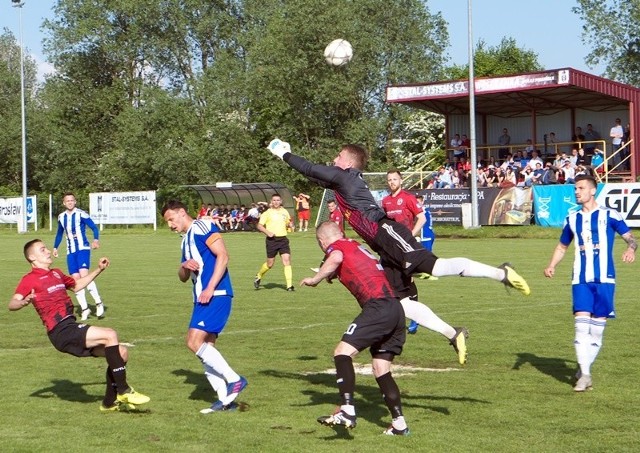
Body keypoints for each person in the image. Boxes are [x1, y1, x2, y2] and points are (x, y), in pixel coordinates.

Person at [267, 139, 530, 359]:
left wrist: (284, 152)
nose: (334, 160)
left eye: (338, 156)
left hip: (387, 232)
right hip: (382, 245)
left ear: (348, 162)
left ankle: (501, 273)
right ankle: (454, 333)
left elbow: (310, 168)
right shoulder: (344, 181)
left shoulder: (344, 175)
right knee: (401, 303)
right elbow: (314, 175)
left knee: (436, 266)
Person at [9, 239, 150, 412]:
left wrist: (99, 269)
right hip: (60, 330)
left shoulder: (56, 273)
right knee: (109, 334)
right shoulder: (29, 279)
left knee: (121, 353)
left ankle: (108, 403)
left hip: (70, 326)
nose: (47, 251)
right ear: (32, 257)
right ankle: (124, 390)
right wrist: (23, 301)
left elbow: (77, 286)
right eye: (42, 249)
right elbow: (12, 304)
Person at [301, 221, 409, 436]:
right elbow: (355, 266)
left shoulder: (336, 248)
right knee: (381, 369)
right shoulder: (356, 245)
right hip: (396, 309)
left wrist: (315, 279)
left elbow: (336, 258)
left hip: (378, 307)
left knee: (342, 353)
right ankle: (399, 424)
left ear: (322, 242)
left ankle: (348, 410)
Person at [543, 175, 636, 392]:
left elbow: (630, 237)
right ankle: (585, 375)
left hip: (605, 278)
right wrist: (552, 265)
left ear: (592, 191)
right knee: (581, 326)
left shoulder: (609, 215)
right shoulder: (572, 218)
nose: (576, 192)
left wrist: (631, 248)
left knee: (597, 331)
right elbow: (562, 247)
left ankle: (584, 366)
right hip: (580, 279)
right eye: (575, 188)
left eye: (581, 188)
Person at [161, 200, 247, 413]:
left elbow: (223, 255)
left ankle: (234, 379)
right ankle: (226, 401)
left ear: (182, 213)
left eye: (171, 219)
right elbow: (183, 278)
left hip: (215, 294)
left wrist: (209, 287)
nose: (170, 225)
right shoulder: (184, 241)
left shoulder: (202, 226)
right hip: (202, 297)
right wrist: (183, 265)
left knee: (193, 341)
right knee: (207, 348)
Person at [383, 170, 463, 345]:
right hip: (392, 250)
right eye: (389, 180)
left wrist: (410, 235)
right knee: (399, 283)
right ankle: (409, 319)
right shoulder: (386, 201)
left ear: (401, 180)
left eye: (395, 179)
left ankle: (412, 320)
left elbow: (421, 218)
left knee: (405, 281)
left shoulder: (408, 198)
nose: (392, 182)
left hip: (407, 247)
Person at [53, 192, 104, 321]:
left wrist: (96, 240)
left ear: (75, 202)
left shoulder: (81, 214)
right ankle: (85, 309)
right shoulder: (61, 217)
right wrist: (55, 247)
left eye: (72, 200)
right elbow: (59, 233)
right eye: (67, 201)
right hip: (71, 251)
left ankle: (98, 303)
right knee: (75, 281)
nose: (70, 202)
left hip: (83, 248)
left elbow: (94, 228)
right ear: (64, 203)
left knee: (84, 276)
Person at [253, 193, 295, 291]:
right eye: (274, 200)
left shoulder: (285, 212)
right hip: (272, 240)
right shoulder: (267, 213)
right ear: (271, 202)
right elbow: (259, 226)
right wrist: (268, 232)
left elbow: (288, 223)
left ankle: (289, 286)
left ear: (281, 201)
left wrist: (290, 225)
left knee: (286, 260)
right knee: (270, 264)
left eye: (278, 200)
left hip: (283, 239)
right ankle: (259, 275)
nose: (276, 202)